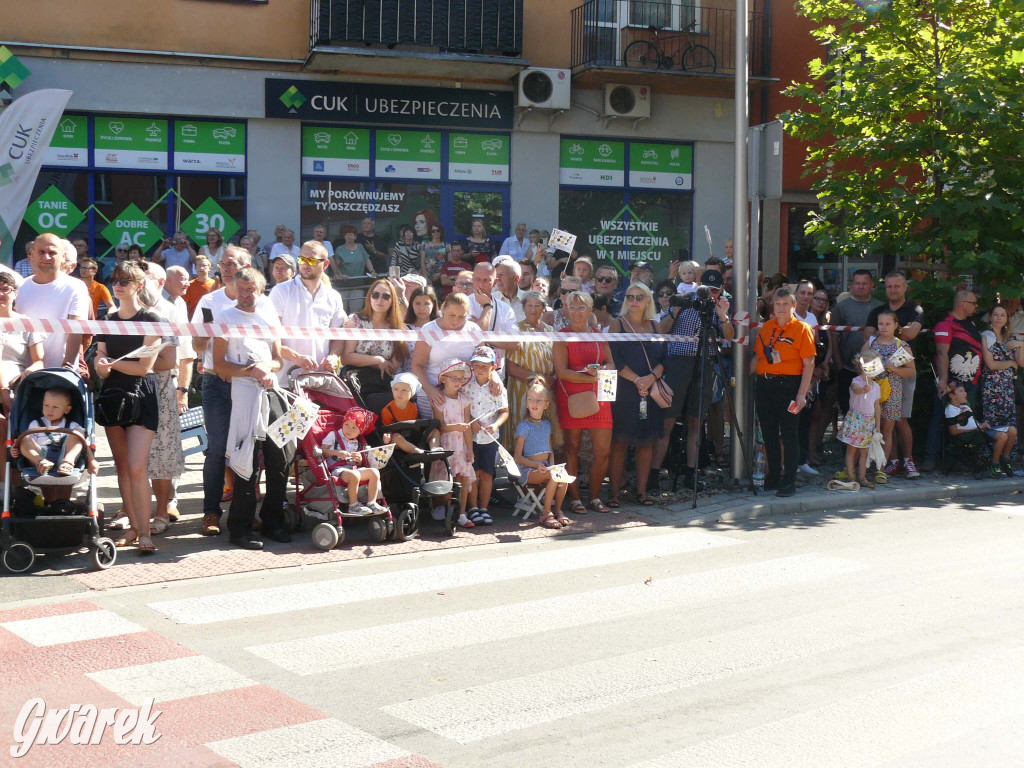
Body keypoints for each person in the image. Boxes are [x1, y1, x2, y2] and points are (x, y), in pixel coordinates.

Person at [212, 267, 290, 549]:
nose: (245, 295)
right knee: (246, 462)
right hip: (244, 397)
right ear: (234, 288)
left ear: (260, 290)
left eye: (251, 290)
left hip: (271, 395)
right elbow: (219, 364)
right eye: (241, 289)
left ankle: (273, 522)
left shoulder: (269, 317)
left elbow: (278, 360)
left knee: (278, 461)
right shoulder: (225, 317)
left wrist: (266, 368)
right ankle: (240, 529)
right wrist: (250, 371)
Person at [94, 261, 162, 554]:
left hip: (141, 396)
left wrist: (111, 364)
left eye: (125, 280)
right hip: (114, 396)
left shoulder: (151, 318)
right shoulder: (106, 320)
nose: (118, 284)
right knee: (122, 467)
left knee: (137, 467)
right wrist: (102, 366)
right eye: (115, 279)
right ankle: (134, 527)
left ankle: (145, 532)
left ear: (139, 285)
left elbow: (145, 367)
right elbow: (100, 364)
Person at [653, 270, 735, 491]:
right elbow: (660, 331)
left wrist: (723, 316)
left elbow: (729, 336)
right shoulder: (685, 302)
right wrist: (676, 310)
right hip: (678, 363)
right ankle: (653, 472)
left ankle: (691, 472)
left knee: (696, 422)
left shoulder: (719, 308)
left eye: (716, 291)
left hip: (704, 364)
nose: (711, 295)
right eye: (708, 290)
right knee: (667, 420)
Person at [553, 290, 615, 514]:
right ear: (567, 310)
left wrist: (599, 373)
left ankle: (595, 497)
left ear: (590, 310)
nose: (577, 311)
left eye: (582, 307)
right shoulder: (562, 335)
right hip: (572, 397)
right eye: (573, 307)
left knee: (603, 451)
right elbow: (561, 372)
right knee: (572, 449)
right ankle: (575, 498)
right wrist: (589, 376)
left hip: (600, 396)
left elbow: (611, 363)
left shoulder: (599, 334)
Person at [751, 286, 816, 497]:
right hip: (765, 384)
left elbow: (809, 363)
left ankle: (789, 480)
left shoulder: (802, 328)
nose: (780, 308)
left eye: (785, 304)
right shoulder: (767, 327)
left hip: (789, 386)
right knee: (768, 433)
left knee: (789, 434)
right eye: (777, 304)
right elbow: (759, 357)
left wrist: (802, 394)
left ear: (793, 306)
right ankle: (774, 477)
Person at [609, 282, 666, 506]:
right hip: (625, 392)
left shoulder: (655, 326)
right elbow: (614, 359)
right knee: (619, 443)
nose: (634, 300)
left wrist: (650, 378)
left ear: (648, 301)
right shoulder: (617, 325)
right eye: (630, 296)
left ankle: (641, 492)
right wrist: (636, 380)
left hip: (650, 391)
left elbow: (665, 359)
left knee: (647, 442)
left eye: (639, 297)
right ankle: (613, 494)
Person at [863, 272, 924, 478]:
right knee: (881, 423)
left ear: (905, 287)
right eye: (889, 286)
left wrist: (894, 340)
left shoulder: (915, 309)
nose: (893, 290)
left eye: (897, 286)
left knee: (901, 420)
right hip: (876, 380)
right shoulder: (877, 311)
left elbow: (910, 334)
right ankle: (892, 462)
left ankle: (908, 461)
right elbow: (868, 339)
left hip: (901, 376)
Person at [270, 240, 346, 383]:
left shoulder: (333, 296)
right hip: (286, 381)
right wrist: (296, 357)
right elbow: (272, 338)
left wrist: (334, 356)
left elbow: (338, 337)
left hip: (321, 380)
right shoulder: (280, 291)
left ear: (326, 264)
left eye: (311, 260)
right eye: (302, 259)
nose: (305, 264)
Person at [923, 289, 983, 472]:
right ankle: (930, 458)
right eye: (973, 303)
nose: (976, 306)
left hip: (970, 384)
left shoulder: (971, 324)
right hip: (951, 385)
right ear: (962, 304)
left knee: (965, 421)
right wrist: (943, 381)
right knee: (939, 418)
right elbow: (942, 353)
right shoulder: (945, 325)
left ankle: (957, 458)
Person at [17, 234, 89, 370]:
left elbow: (76, 330)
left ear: (63, 256)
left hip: (59, 373)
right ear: (31, 255)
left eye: (52, 253)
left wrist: (66, 366)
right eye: (41, 252)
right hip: (22, 373)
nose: (46, 257)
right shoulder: (20, 287)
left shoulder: (76, 287)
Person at [10, 387, 91, 503]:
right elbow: (28, 444)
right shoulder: (36, 423)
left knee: (78, 434)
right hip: (40, 456)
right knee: (24, 438)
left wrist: (92, 460)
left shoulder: (72, 425)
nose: (50, 410)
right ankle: (41, 463)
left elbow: (85, 445)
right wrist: (15, 447)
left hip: (64, 454)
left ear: (67, 410)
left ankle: (68, 462)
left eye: (55, 407)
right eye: (46, 405)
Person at [863, 310, 916, 483]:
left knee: (887, 430)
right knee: (869, 428)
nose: (883, 327)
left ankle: (881, 469)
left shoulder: (902, 346)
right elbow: (860, 365)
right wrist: (869, 369)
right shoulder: (871, 343)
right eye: (880, 324)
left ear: (895, 325)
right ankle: (864, 465)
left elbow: (911, 371)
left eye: (887, 324)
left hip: (893, 393)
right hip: (872, 393)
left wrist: (894, 368)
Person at [513, 376, 571, 528]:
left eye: (539, 400)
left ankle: (557, 510)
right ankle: (545, 513)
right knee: (553, 475)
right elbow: (517, 457)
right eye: (531, 399)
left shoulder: (547, 425)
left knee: (562, 475)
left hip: (544, 468)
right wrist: (536, 464)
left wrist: (553, 466)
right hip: (528, 470)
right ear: (526, 403)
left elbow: (550, 451)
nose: (534, 403)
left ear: (546, 404)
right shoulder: (524, 426)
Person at [504, 291, 554, 453]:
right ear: (523, 308)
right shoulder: (516, 330)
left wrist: (551, 380)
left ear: (543, 309)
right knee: (523, 430)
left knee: (544, 430)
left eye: (537, 306)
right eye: (530, 305)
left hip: (547, 389)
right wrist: (539, 378)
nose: (533, 309)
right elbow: (512, 369)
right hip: (523, 389)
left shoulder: (550, 330)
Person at [340, 278, 406, 397]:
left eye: (385, 296)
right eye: (375, 295)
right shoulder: (355, 321)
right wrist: (377, 360)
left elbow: (393, 366)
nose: (379, 299)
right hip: (354, 383)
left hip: (381, 385)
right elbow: (346, 357)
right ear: (369, 297)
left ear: (392, 301)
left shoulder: (395, 327)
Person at [830, 270, 883, 416]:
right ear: (852, 285)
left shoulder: (880, 307)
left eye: (864, 283)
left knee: (872, 411)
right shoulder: (841, 307)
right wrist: (839, 365)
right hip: (847, 368)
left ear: (871, 285)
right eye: (857, 283)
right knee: (848, 411)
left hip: (874, 370)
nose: (861, 287)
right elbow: (834, 337)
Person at [465, 346, 506, 526]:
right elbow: (463, 408)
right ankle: (473, 508)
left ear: (493, 367)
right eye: (477, 365)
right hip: (471, 437)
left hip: (490, 438)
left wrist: (495, 424)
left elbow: (504, 411)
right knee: (473, 473)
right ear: (472, 366)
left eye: (485, 366)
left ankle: (484, 508)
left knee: (488, 474)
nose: (480, 369)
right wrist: (471, 421)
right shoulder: (467, 386)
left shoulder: (497, 388)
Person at [433, 358, 476, 528]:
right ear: (443, 378)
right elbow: (439, 427)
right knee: (446, 481)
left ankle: (462, 513)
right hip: (446, 446)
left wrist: (470, 448)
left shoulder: (464, 400)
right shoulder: (439, 400)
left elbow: (467, 428)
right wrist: (455, 427)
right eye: (454, 378)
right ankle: (446, 508)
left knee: (462, 480)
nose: (458, 382)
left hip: (461, 447)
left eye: (460, 379)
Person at [980, 303, 1022, 476]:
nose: (998, 318)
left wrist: (1021, 344)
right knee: (994, 423)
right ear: (990, 317)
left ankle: (1006, 460)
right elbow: (991, 364)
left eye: (1002, 315)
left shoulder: (1009, 338)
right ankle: (991, 460)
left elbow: (1021, 363)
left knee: (1009, 424)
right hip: (992, 386)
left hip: (1007, 388)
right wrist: (1010, 363)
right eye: (995, 314)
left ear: (1007, 319)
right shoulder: (987, 336)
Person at [322, 407, 387, 516]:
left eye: (354, 428)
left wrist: (360, 460)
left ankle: (372, 503)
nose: (349, 430)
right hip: (337, 469)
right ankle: (353, 505)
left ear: (359, 432)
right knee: (354, 475)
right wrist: (336, 453)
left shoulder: (356, 442)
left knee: (374, 472)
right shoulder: (334, 435)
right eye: (347, 425)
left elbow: (359, 464)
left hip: (352, 468)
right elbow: (323, 450)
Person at [0, 272, 44, 427]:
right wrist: (3, 391)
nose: (1, 294)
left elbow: (39, 361)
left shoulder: (27, 323)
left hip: (18, 387)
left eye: (5, 289)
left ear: (15, 293)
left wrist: (28, 372)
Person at [837, 352, 883, 489]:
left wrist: (878, 426)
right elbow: (856, 390)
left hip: (868, 421)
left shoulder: (876, 386)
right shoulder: (856, 381)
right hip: (856, 419)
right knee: (851, 450)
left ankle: (862, 478)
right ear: (861, 366)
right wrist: (863, 389)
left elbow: (877, 406)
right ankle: (851, 477)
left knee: (865, 452)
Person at [467, 262, 520, 374]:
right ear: (472, 279)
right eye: (478, 279)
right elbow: (474, 335)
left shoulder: (505, 309)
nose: (481, 284)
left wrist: (482, 336)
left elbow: (515, 344)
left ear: (495, 282)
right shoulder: (463, 304)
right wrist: (487, 306)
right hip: (468, 373)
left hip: (496, 373)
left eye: (486, 280)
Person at [400, 285, 438, 373]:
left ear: (433, 304)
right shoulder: (404, 329)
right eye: (417, 303)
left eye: (427, 304)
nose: (422, 308)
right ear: (411, 304)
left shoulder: (441, 328)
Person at [492, 257, 525, 322]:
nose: (497, 279)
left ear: (516, 278)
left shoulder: (529, 300)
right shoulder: (491, 300)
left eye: (501, 275)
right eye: (496, 275)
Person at [421, 223, 449, 290]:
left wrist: (440, 274)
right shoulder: (425, 244)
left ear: (441, 232)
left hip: (441, 276)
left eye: (438, 230)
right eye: (433, 231)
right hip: (428, 275)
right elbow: (422, 261)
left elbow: (448, 262)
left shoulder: (446, 245)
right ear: (430, 233)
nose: (435, 232)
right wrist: (425, 277)